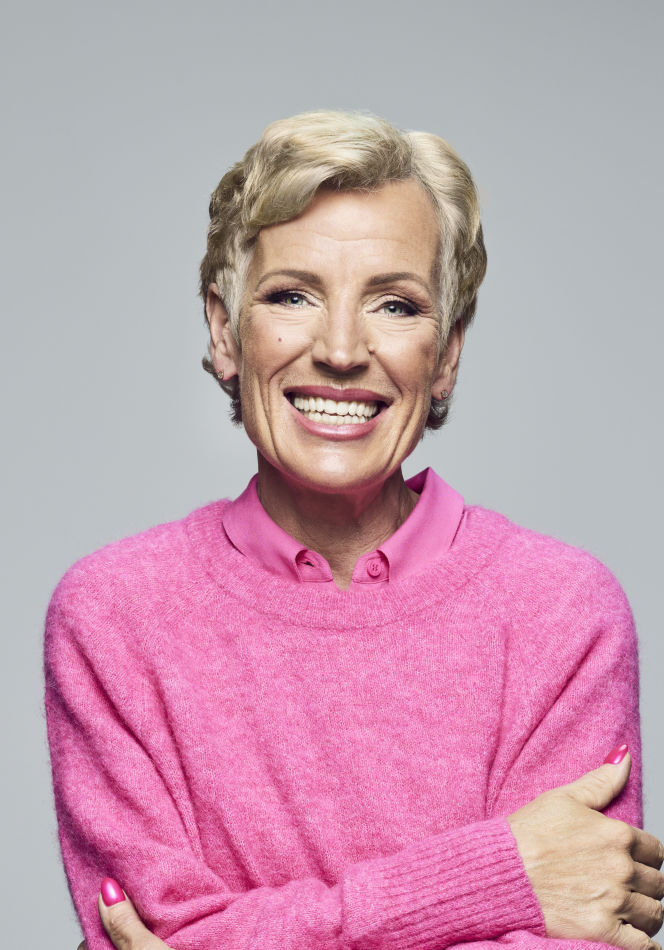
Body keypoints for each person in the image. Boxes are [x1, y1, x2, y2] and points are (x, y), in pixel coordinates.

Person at [44, 110, 664, 950]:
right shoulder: (115, 616)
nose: (340, 350)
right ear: (225, 332)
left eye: (395, 304)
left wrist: (243, 933)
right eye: (291, 296)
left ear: (446, 354)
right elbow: (159, 932)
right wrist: (492, 880)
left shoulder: (560, 613)